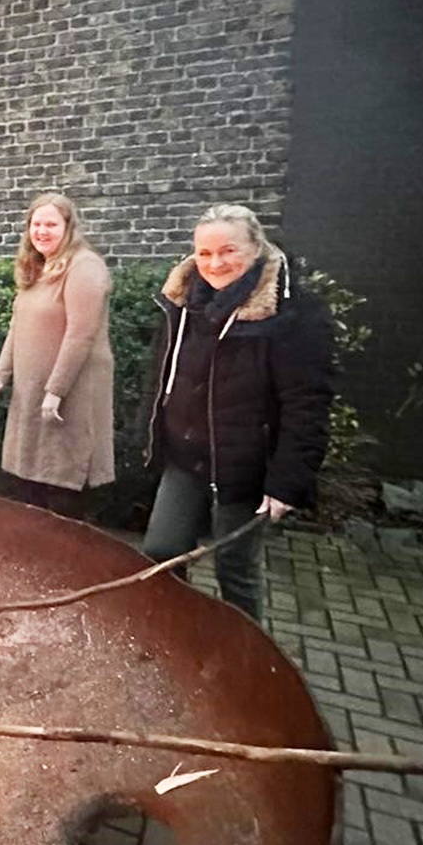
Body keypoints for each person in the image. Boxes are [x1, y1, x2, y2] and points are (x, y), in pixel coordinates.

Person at [139, 203, 332, 621]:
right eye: (204, 253)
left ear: (256, 248)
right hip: (185, 457)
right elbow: (160, 375)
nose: (215, 263)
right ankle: (177, 634)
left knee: (234, 569)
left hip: (245, 466)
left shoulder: (291, 314)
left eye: (229, 251)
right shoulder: (181, 302)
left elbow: (306, 404)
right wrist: (150, 431)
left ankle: (247, 651)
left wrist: (287, 481)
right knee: (161, 551)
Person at [0, 193, 116, 518]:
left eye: (51, 225)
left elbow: (81, 334)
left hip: (70, 396)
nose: (42, 231)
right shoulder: (37, 268)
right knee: (29, 487)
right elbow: (18, 327)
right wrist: (0, 373)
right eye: (36, 224)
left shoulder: (85, 266)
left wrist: (56, 390)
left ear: (68, 227)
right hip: (31, 394)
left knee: (62, 488)